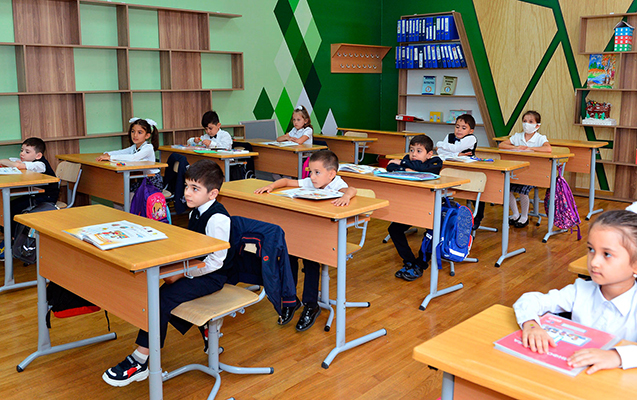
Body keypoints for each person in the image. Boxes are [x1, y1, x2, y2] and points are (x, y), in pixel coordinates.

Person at [102, 159, 231, 387]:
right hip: (196, 270)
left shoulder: (217, 218)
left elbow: (216, 262)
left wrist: (182, 273)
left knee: (161, 299)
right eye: (187, 186)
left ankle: (141, 360)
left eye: (195, 188)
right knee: (155, 291)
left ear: (213, 194)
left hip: (212, 276)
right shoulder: (196, 212)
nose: (187, 193)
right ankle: (204, 330)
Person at [513, 210, 637, 374]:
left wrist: (616, 356)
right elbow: (530, 300)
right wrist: (531, 325)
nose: (594, 262)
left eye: (607, 254)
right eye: (591, 249)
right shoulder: (580, 290)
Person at [254, 150, 356, 331]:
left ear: (331, 174)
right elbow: (286, 182)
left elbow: (352, 190)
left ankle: (311, 304)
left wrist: (346, 197)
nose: (312, 176)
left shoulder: (337, 184)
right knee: (289, 254)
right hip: (309, 232)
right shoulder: (311, 181)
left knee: (310, 260)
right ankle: (290, 300)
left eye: (317, 172)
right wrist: (272, 186)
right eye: (310, 172)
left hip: (330, 235)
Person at [388, 135, 442, 281]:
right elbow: (390, 166)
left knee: (432, 233)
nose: (413, 154)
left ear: (429, 154)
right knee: (394, 229)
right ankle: (410, 261)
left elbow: (424, 169)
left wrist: (403, 165)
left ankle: (420, 264)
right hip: (412, 206)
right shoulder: (408, 159)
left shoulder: (436, 161)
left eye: (419, 151)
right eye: (411, 150)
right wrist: (407, 167)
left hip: (432, 208)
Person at [0, 137, 60, 258]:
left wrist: (2, 160)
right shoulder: (30, 162)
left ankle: (14, 240)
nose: (22, 154)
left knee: (13, 210)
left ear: (38, 155)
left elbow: (17, 165)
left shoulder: (40, 164)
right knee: (8, 207)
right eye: (22, 150)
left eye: (27, 152)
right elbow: (13, 162)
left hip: (46, 198)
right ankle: (11, 237)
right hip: (35, 194)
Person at [498, 110, 551, 228]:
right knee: (507, 189)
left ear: (537, 125)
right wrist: (516, 147)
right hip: (517, 171)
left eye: (531, 122)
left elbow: (548, 149)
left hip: (533, 172)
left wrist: (530, 149)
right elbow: (501, 145)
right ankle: (515, 214)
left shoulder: (540, 138)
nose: (527, 124)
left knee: (523, 191)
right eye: (525, 121)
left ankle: (524, 216)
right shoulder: (517, 136)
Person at [435, 113, 485, 229]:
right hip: (452, 167)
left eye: (463, 128)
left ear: (471, 130)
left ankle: (478, 216)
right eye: (457, 126)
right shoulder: (449, 136)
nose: (459, 130)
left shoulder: (471, 138)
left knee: (475, 191)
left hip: (469, 168)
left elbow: (454, 148)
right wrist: (456, 154)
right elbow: (440, 152)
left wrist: (440, 144)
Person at [96, 117, 163, 193]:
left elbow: (133, 157)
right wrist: (107, 154)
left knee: (124, 192)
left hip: (152, 183)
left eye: (139, 132)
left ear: (147, 136)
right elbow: (122, 152)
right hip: (142, 179)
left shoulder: (148, 148)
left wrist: (110, 157)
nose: (135, 135)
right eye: (133, 131)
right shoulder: (135, 147)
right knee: (120, 190)